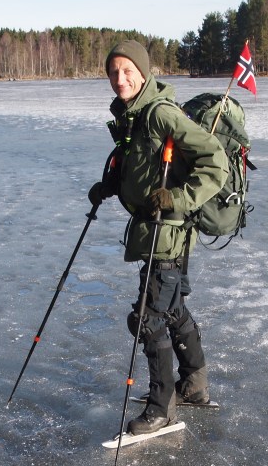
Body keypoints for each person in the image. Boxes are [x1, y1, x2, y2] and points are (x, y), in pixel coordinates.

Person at [89, 40, 229, 434]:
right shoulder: (132, 114)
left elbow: (215, 161)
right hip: (154, 229)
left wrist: (178, 198)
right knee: (171, 309)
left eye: (128, 71)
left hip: (167, 232)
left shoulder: (160, 113)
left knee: (148, 319)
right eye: (113, 72)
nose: (120, 79)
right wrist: (112, 185)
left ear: (144, 73)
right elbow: (143, 166)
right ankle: (195, 386)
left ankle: (161, 407)